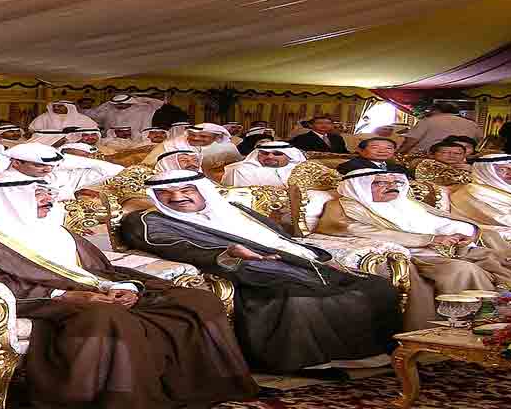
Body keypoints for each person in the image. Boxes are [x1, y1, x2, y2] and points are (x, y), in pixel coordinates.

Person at [0, 170, 258, 408]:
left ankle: (200, 386)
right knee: (108, 318)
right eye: (37, 195)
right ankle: (125, 397)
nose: (48, 200)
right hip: (41, 305)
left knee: (197, 299)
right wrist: (67, 296)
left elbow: (98, 269)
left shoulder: (51, 228)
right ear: (8, 198)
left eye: (46, 193)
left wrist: (125, 285)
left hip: (94, 291)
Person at [121, 170, 400, 373]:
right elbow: (177, 249)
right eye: (165, 194)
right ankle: (306, 361)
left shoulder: (236, 209)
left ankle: (368, 354)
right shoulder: (148, 221)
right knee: (297, 299)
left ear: (201, 191)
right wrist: (228, 253)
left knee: (377, 287)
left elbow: (282, 237)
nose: (177, 198)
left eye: (186, 191)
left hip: (296, 261)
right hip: (247, 272)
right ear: (155, 198)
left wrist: (318, 256)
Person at [317, 168, 511, 329]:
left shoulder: (408, 203)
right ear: (358, 187)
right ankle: (477, 331)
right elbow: (357, 231)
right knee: (462, 272)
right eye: (379, 183)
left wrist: (463, 234)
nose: (390, 186)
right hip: (417, 253)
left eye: (393, 181)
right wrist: (429, 239)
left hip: (457, 247)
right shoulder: (346, 206)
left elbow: (446, 221)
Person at [399, 102, 481, 154]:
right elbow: (478, 141)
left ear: (436, 111)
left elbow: (412, 140)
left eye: (430, 111)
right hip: (460, 156)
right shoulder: (472, 123)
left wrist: (400, 152)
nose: (429, 112)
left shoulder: (428, 121)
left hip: (428, 156)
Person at [220, 141, 306, 187]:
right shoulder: (243, 170)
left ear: (290, 156)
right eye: (264, 153)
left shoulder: (301, 171)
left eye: (277, 153)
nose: (270, 157)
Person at [89, 94, 162, 136]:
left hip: (135, 140)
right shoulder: (109, 110)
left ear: (130, 102)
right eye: (117, 104)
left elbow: (160, 104)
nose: (119, 106)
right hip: (112, 141)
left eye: (122, 104)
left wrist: (141, 99)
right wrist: (107, 103)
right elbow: (92, 116)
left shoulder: (142, 110)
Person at [336, 137, 409, 176]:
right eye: (375, 147)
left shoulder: (399, 168)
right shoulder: (350, 166)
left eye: (388, 148)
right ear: (361, 150)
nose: (382, 151)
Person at [28, 100, 98, 131]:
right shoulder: (44, 117)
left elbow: (94, 130)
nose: (55, 108)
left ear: (69, 107)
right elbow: (32, 130)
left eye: (59, 106)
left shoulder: (82, 118)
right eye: (54, 106)